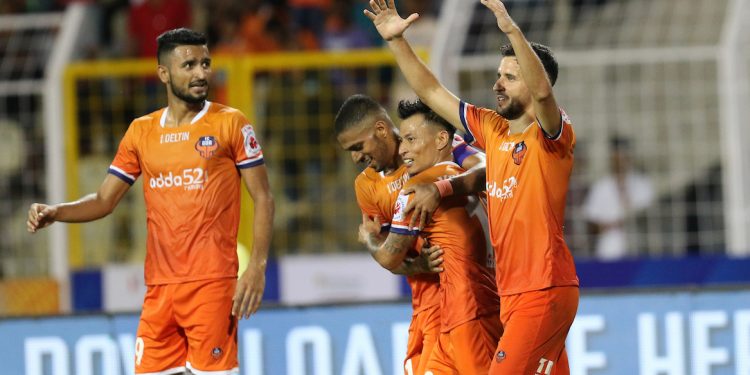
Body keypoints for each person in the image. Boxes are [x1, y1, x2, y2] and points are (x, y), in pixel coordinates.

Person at [27, 28, 274, 375]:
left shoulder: (231, 123)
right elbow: (103, 200)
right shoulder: (141, 132)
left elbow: (263, 196)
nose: (201, 72)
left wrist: (257, 268)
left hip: (211, 284)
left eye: (205, 63)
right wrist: (57, 211)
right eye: (188, 65)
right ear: (163, 73)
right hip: (159, 289)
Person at [365, 0, 580, 373]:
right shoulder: (491, 129)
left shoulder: (551, 136)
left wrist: (511, 30)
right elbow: (432, 92)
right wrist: (397, 41)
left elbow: (544, 96)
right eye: (498, 74)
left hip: (543, 288)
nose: (497, 83)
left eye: (510, 77)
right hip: (512, 292)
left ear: (532, 80)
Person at [334, 94, 486, 375]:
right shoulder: (366, 187)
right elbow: (390, 256)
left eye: (358, 146)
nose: (356, 157)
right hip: (427, 302)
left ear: (381, 130)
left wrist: (442, 189)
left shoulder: (433, 144)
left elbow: (487, 168)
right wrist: (418, 265)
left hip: (470, 296)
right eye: (350, 152)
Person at [582, 136, 654, 260]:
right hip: (609, 252)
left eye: (623, 156)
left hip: (640, 250)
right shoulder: (601, 187)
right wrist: (614, 225)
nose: (620, 160)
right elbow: (591, 222)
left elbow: (648, 216)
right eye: (616, 157)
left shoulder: (643, 184)